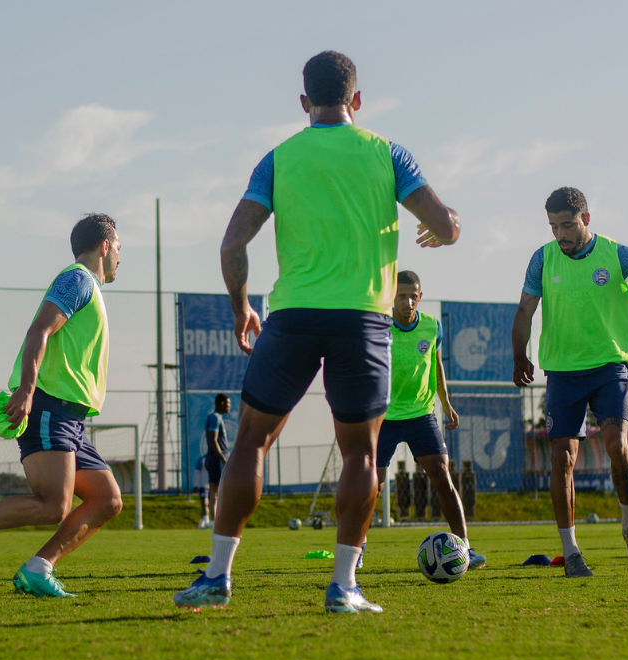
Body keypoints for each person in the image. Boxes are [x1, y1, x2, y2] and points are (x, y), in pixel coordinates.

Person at [173, 50, 461, 614]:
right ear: (357, 100)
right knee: (360, 452)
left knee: (251, 441)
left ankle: (216, 578)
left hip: (293, 317)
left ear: (305, 103)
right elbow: (446, 225)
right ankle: (343, 587)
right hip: (363, 320)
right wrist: (443, 231)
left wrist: (240, 309)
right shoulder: (388, 153)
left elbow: (232, 244)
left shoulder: (278, 159)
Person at [0, 213, 123, 598]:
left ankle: (38, 568)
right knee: (53, 505)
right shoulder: (78, 279)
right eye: (118, 249)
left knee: (107, 499)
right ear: (104, 247)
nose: (119, 257)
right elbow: (40, 330)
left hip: (70, 419)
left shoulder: (88, 287)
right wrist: (27, 391)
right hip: (49, 408)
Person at [511, 187, 628, 578]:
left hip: (609, 367)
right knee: (562, 458)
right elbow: (525, 311)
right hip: (562, 372)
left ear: (586, 220)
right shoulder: (542, 260)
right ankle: (572, 552)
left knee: (616, 444)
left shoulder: (616, 254)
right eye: (553, 226)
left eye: (567, 225)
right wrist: (519, 354)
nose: (559, 234)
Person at [367, 270, 485, 571]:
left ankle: (464, 550)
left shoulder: (433, 326)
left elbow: (436, 365)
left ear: (420, 296)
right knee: (372, 486)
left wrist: (446, 403)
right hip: (384, 417)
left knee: (443, 477)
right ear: (392, 296)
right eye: (402, 295)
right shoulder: (378, 326)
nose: (408, 301)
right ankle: (357, 551)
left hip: (421, 415)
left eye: (413, 295)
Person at [201, 394, 231, 526]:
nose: (230, 406)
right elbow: (213, 440)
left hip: (213, 458)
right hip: (216, 458)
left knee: (215, 492)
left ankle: (214, 520)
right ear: (222, 403)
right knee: (219, 491)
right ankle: (216, 521)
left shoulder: (215, 418)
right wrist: (223, 458)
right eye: (228, 403)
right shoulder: (215, 418)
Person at [193, 454, 211, 529]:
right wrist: (196, 485)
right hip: (203, 486)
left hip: (212, 485)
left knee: (212, 504)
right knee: (204, 503)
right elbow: (197, 472)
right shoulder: (202, 460)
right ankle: (205, 520)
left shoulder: (216, 460)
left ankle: (204, 521)